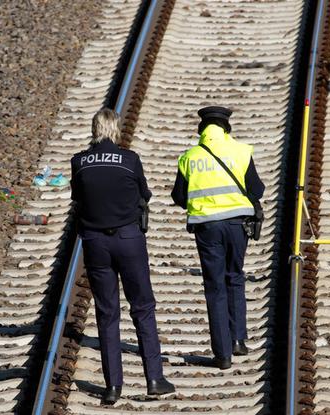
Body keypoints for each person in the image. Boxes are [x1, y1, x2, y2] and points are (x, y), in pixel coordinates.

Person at [70, 108, 174, 405]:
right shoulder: (130, 160)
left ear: (94, 129)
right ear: (116, 130)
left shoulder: (79, 162)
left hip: (95, 243)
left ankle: (113, 386)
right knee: (142, 307)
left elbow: (78, 198)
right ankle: (154, 378)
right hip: (129, 240)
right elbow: (145, 194)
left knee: (107, 313)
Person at [170, 106, 265, 369]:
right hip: (237, 226)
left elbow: (179, 196)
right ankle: (238, 340)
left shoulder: (189, 157)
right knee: (235, 277)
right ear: (226, 129)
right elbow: (256, 189)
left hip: (207, 228)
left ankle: (223, 354)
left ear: (202, 130)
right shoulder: (241, 151)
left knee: (215, 286)